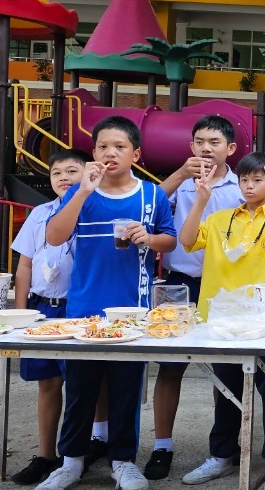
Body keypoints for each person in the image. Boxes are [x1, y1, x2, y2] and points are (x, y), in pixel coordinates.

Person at [38, 116, 178, 490]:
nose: (110, 153)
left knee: (125, 390)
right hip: (84, 310)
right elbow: (54, 236)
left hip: (133, 311)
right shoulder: (79, 192)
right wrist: (82, 191)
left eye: (119, 146)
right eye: (102, 146)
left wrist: (149, 237)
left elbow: (170, 240)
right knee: (79, 390)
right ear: (94, 153)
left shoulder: (152, 195)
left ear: (136, 154)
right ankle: (70, 462)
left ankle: (123, 461)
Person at [177, 152, 265, 487]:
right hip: (222, 322)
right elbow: (187, 241)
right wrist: (200, 201)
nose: (250, 186)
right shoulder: (220, 218)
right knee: (226, 391)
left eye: (257, 180)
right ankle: (221, 455)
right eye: (244, 180)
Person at [148, 115, 243, 480]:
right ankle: (162, 446)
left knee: (226, 371)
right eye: (200, 141)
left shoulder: (241, 186)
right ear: (190, 146)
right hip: (179, 284)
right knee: (170, 366)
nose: (206, 148)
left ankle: (225, 448)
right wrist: (178, 175)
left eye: (214, 142)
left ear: (230, 149)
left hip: (225, 287)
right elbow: (148, 203)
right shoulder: (180, 183)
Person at [8, 149, 89, 485]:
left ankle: (84, 451)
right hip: (42, 309)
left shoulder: (93, 211)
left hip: (79, 309)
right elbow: (25, 265)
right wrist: (21, 312)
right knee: (48, 382)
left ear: (88, 174)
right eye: (57, 173)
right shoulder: (40, 214)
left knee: (86, 385)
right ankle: (45, 455)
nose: (63, 178)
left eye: (72, 171)